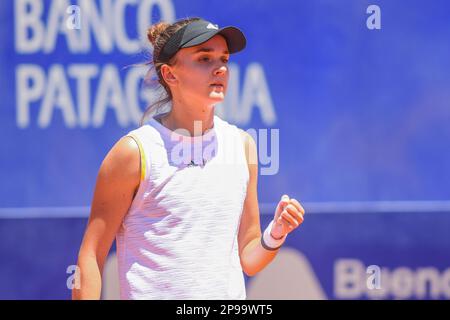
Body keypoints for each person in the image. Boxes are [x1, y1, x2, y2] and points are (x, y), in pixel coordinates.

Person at [72, 17, 305, 300]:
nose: (220, 68)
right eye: (204, 58)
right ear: (170, 74)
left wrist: (276, 232)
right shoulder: (134, 152)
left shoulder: (243, 146)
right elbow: (91, 256)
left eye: (224, 59)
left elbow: (249, 257)